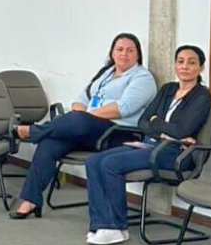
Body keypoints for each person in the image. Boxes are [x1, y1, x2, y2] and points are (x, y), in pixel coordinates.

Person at [10, 33, 158, 220]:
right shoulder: (106, 73)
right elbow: (82, 98)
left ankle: (32, 131)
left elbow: (124, 107)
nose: (124, 54)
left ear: (138, 55)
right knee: (49, 143)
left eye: (130, 50)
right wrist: (80, 114)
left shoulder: (142, 77)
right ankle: (30, 200)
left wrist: (85, 116)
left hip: (118, 133)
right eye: (119, 49)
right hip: (89, 130)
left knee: (78, 121)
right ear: (112, 53)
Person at [84, 45, 211, 245]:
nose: (185, 66)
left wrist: (156, 122)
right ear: (175, 65)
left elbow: (181, 131)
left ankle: (115, 227)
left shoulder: (201, 96)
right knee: (93, 161)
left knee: (110, 164)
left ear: (201, 68)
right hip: (150, 144)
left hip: (176, 153)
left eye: (192, 62)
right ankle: (101, 224)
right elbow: (143, 121)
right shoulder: (168, 89)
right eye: (180, 61)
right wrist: (162, 131)